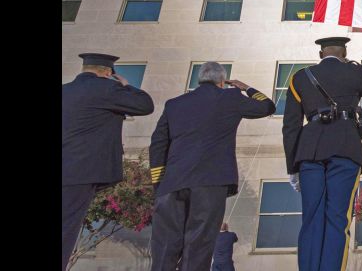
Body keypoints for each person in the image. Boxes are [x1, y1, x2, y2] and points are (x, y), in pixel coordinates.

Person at [148, 62, 275, 271]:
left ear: (199, 79)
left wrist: (159, 183)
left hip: (171, 184)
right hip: (210, 183)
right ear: (222, 81)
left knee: (165, 246)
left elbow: (158, 143)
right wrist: (246, 88)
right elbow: (267, 107)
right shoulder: (230, 98)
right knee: (199, 245)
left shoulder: (174, 104)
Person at [283, 37, 362, 271]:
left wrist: (292, 167)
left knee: (311, 219)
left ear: (321, 54)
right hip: (345, 148)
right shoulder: (354, 73)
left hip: (309, 152)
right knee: (337, 219)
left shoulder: (300, 78)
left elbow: (290, 126)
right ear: (345, 53)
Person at [62, 53, 155, 271]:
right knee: (66, 228)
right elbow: (144, 105)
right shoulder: (105, 88)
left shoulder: (64, 90)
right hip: (79, 172)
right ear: (107, 72)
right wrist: (126, 85)